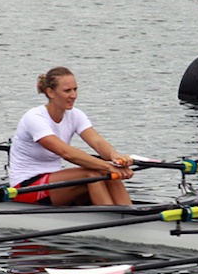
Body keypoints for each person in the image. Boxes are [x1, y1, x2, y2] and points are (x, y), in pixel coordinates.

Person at [8, 66, 133, 206]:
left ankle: (128, 213)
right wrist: (108, 167)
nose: (73, 95)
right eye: (67, 91)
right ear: (50, 92)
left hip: (54, 183)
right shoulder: (35, 118)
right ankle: (111, 218)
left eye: (75, 89)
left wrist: (114, 156)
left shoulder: (75, 115)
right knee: (94, 174)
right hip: (25, 187)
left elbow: (97, 142)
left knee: (108, 174)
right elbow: (66, 153)